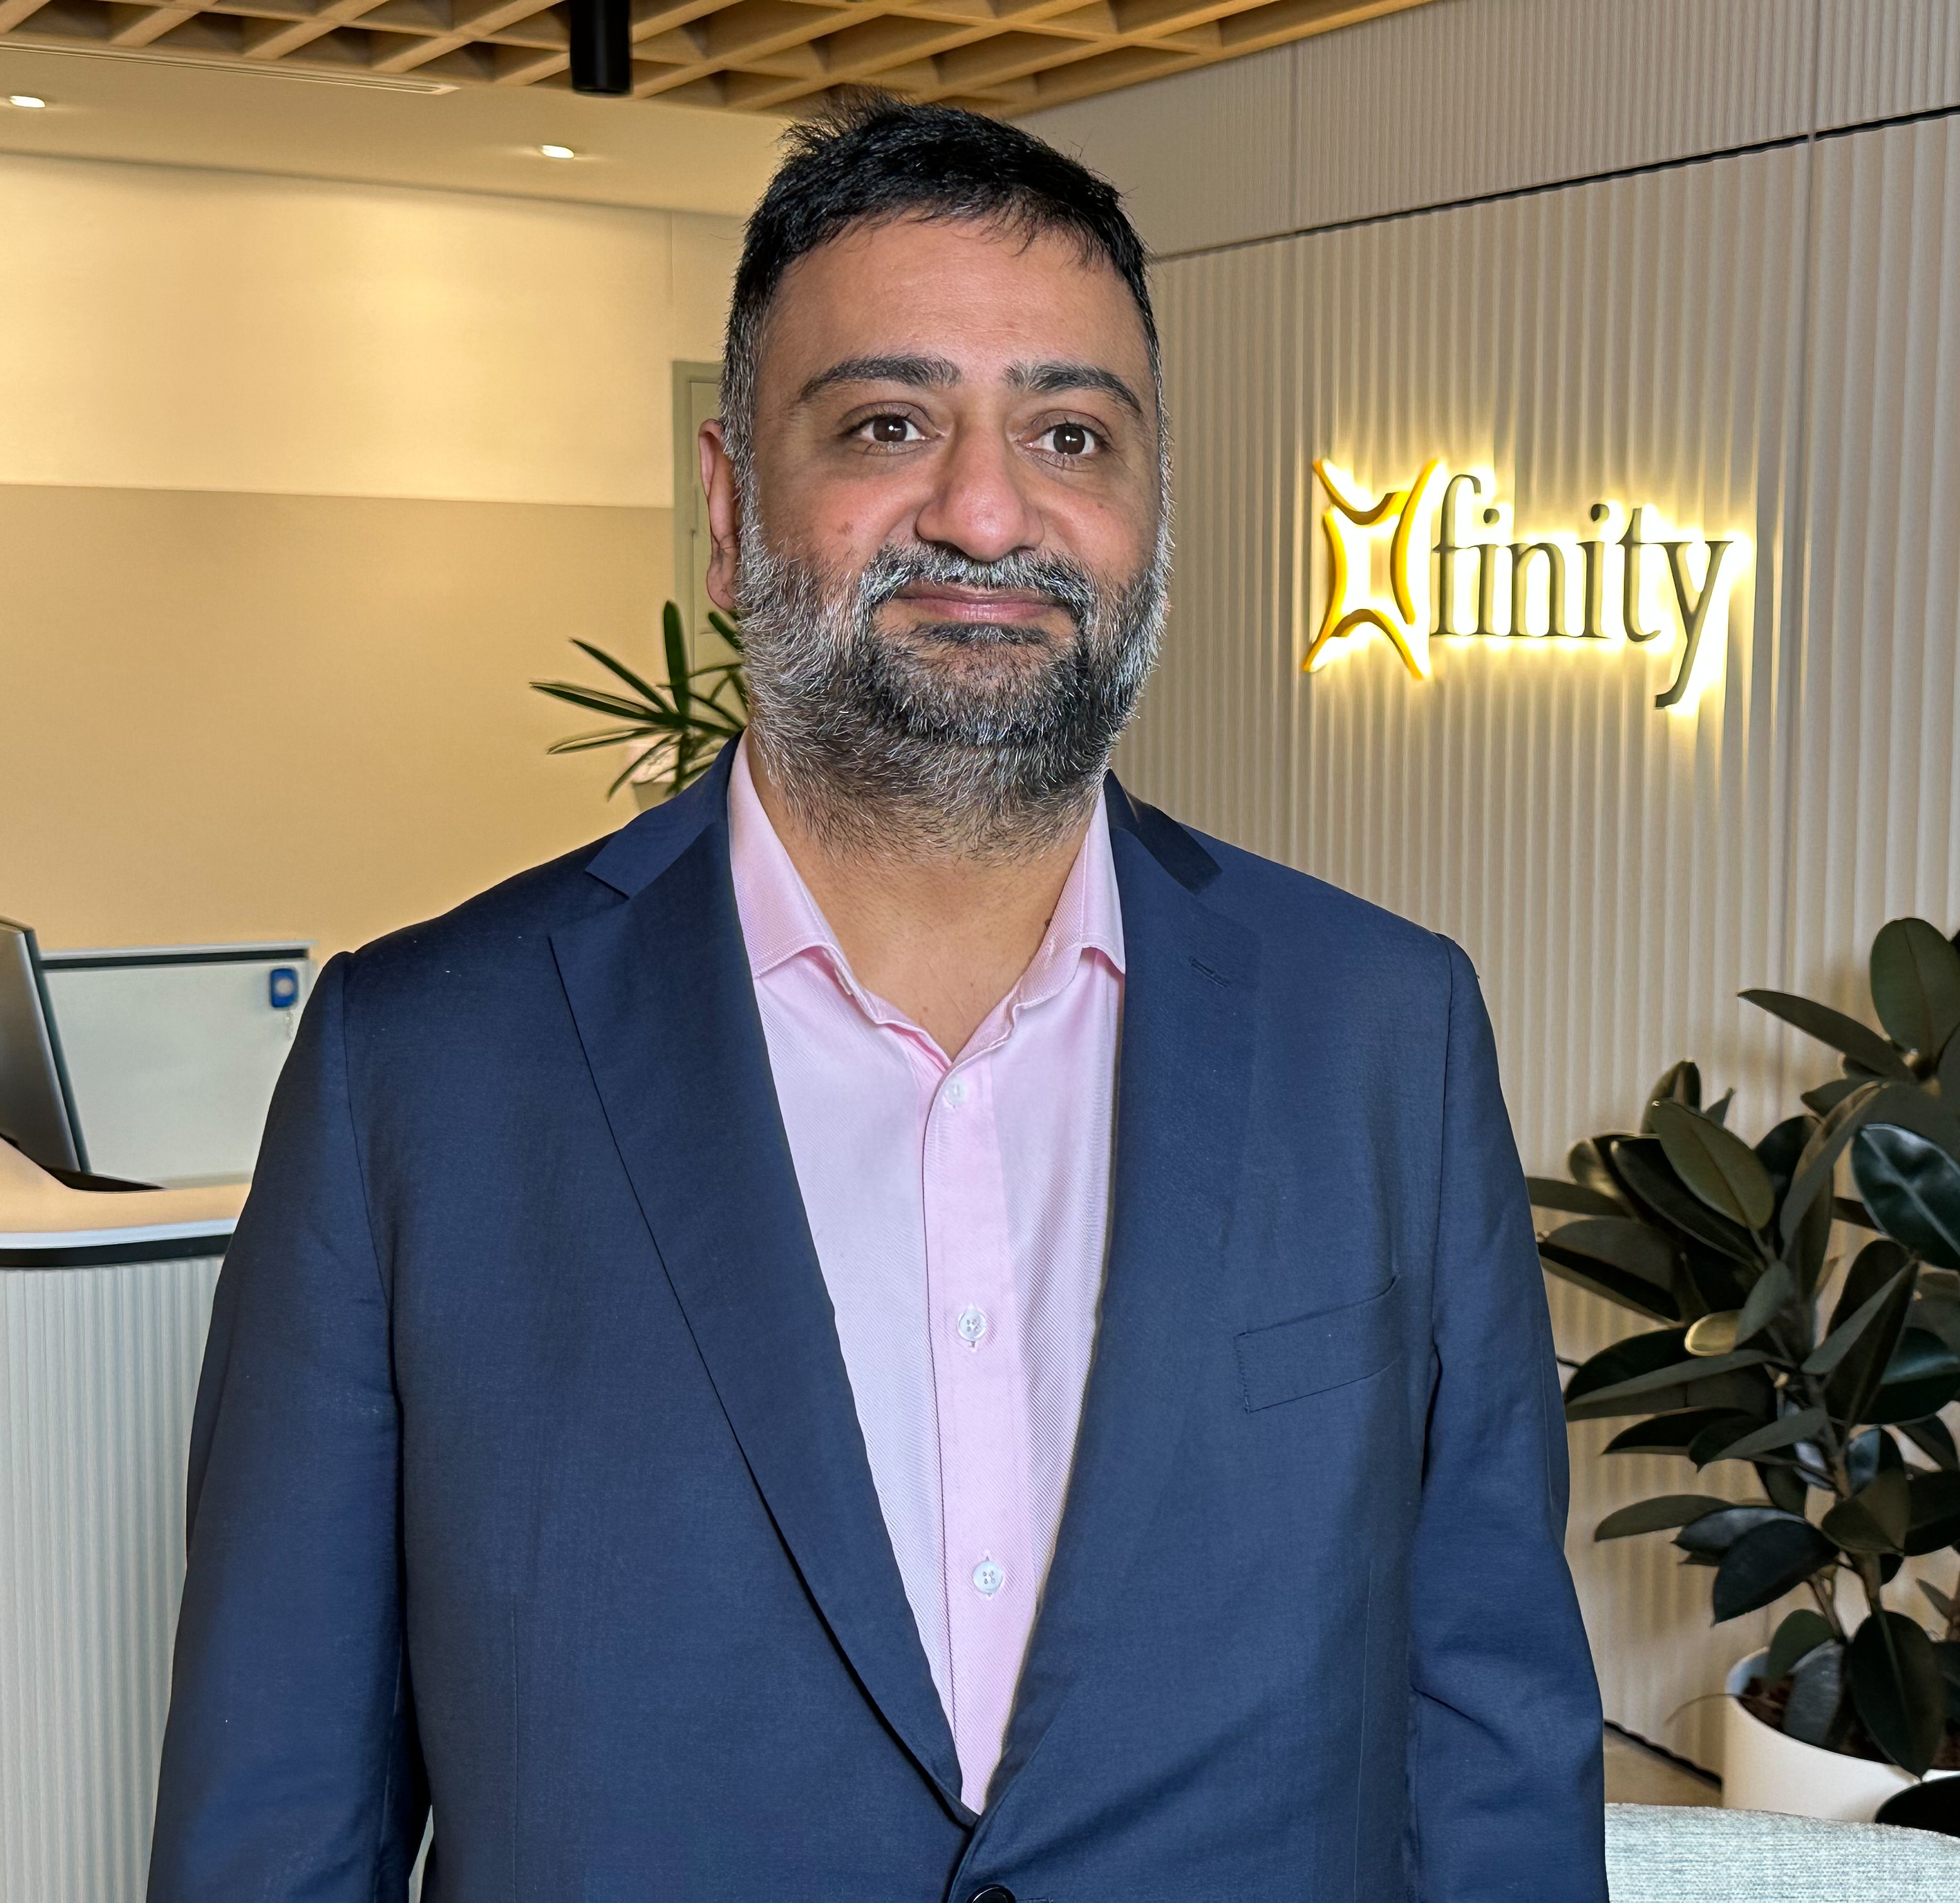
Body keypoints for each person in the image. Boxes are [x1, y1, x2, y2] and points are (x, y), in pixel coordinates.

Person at [147, 98, 1605, 1902]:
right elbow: (281, 1825)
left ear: (1149, 507)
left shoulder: (1386, 1030)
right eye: (889, 424)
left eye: (1071, 432)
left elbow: (1493, 1743)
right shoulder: (421, 1072)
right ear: (728, 501)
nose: (986, 510)